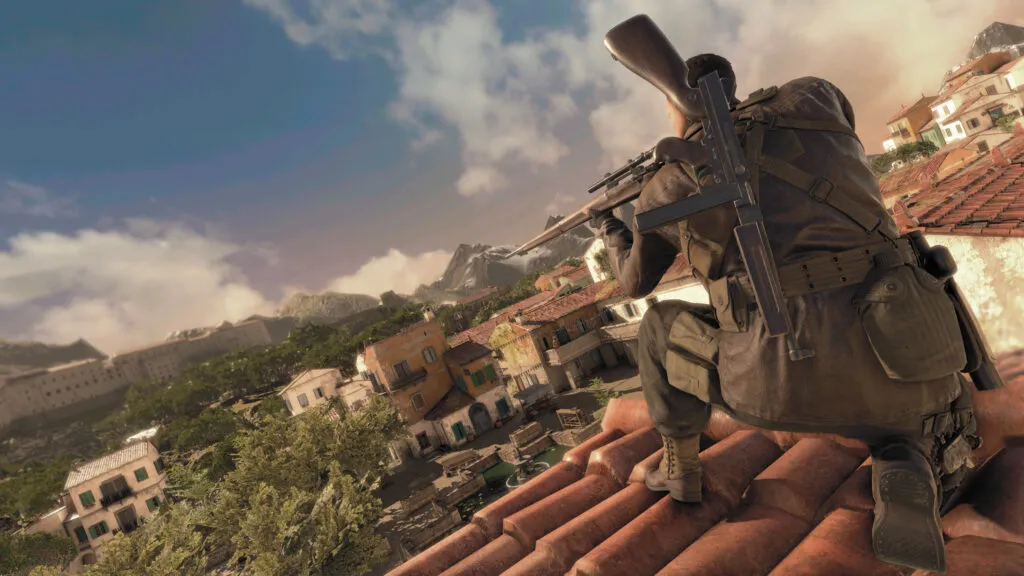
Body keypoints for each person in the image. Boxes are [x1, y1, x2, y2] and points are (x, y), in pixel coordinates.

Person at [589, 53, 979, 574]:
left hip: (772, 380)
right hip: (908, 359)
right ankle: (901, 454)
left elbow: (634, 282)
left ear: (676, 107)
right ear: (730, 89)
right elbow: (838, 122)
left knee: (659, 323)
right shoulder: (814, 95)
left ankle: (679, 467)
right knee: (898, 418)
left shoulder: (669, 184)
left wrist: (613, 230)